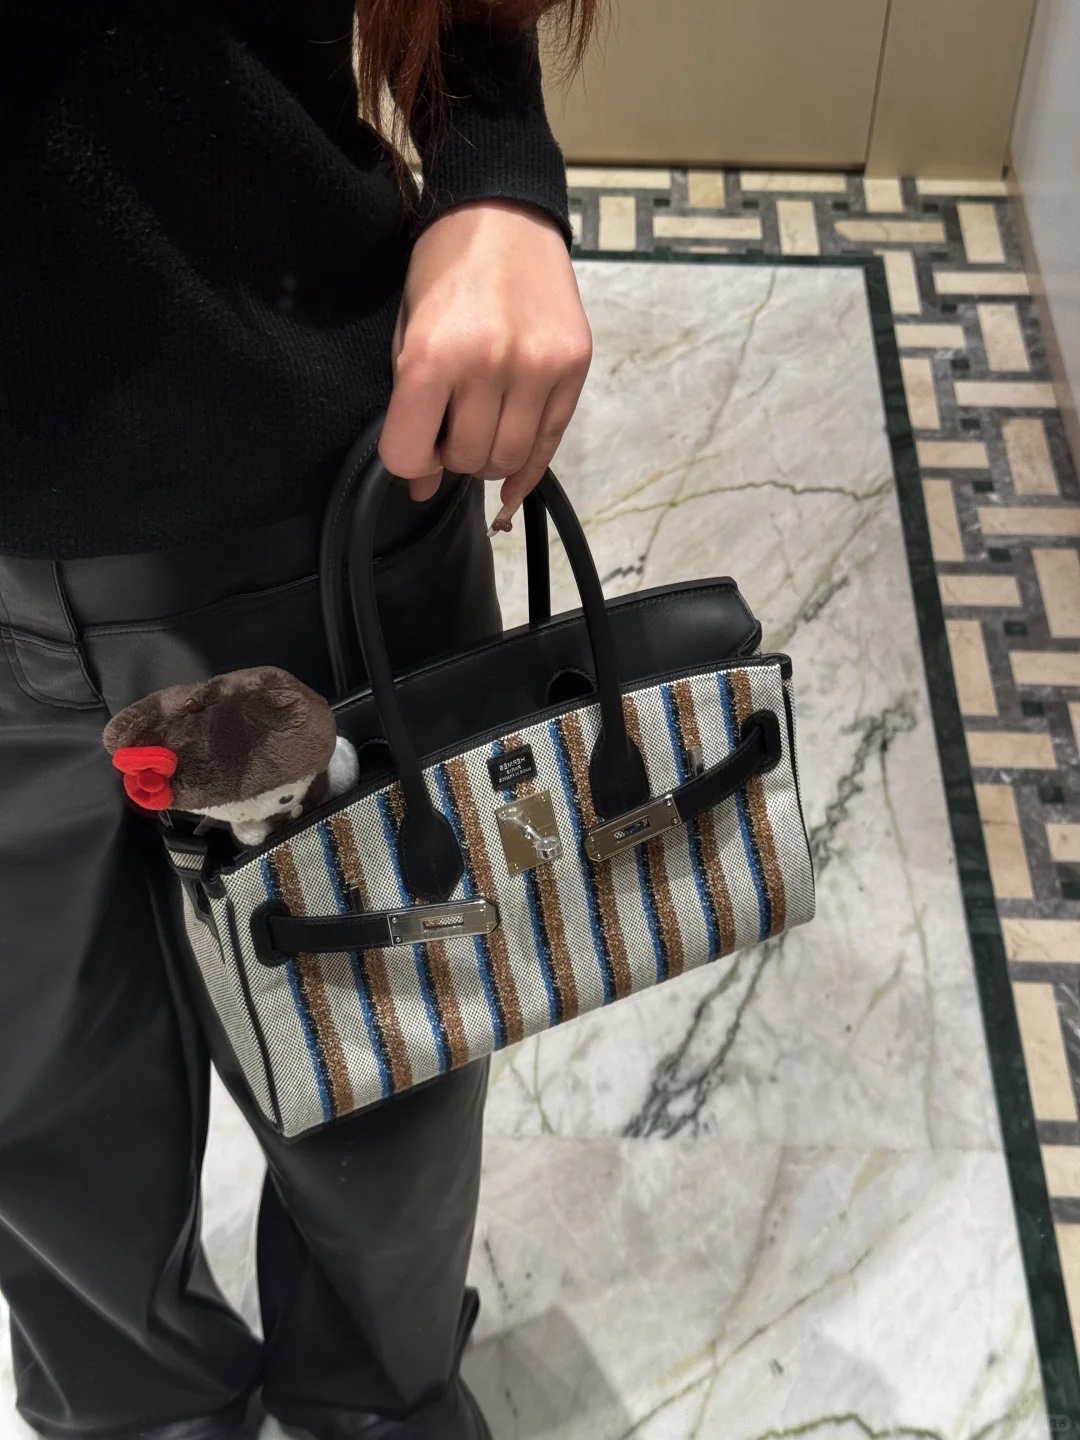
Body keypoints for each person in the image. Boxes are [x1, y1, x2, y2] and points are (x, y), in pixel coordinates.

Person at [0, 3, 597, 1437]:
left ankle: (365, 1406)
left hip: (292, 500)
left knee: (385, 1073)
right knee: (28, 1095)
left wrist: (495, 156)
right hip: (272, 468)